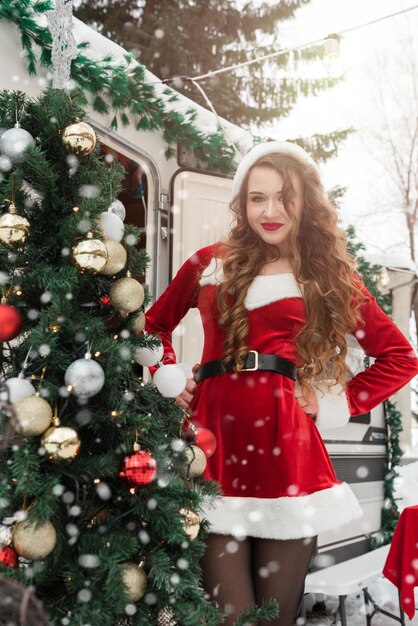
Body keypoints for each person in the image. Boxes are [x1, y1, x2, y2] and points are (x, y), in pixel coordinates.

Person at [145, 141, 418, 626]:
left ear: (305, 202)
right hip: (215, 451)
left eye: (283, 198)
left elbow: (400, 357)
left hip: (289, 456)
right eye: (257, 198)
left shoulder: (327, 277)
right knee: (231, 617)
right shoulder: (211, 263)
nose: (269, 211)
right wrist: (167, 373)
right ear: (242, 203)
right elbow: (153, 326)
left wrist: (333, 400)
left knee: (273, 619)